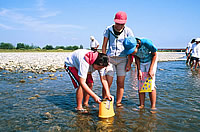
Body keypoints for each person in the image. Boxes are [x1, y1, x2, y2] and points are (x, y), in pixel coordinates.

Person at [101, 11, 134, 108]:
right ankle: (104, 100)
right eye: (118, 23)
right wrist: (104, 61)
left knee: (120, 82)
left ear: (125, 23)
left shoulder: (128, 31)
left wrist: (129, 63)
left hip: (123, 59)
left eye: (122, 24)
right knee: (108, 81)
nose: (119, 26)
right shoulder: (108, 29)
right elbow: (104, 46)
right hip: (110, 59)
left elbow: (130, 48)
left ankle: (118, 103)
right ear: (114, 21)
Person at [64, 49, 112, 113]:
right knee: (80, 85)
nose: (100, 69)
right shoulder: (85, 61)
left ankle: (85, 103)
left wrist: (108, 93)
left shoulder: (102, 63)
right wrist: (95, 96)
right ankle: (79, 107)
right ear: (94, 62)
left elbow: (103, 79)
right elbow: (82, 82)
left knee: (90, 83)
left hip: (86, 65)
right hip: (71, 65)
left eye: (102, 67)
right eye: (99, 67)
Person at [123, 36, 158, 113]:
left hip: (151, 61)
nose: (131, 53)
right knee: (140, 83)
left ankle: (153, 106)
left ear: (137, 46)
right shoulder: (133, 49)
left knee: (151, 83)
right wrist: (138, 70)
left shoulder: (147, 43)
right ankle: (141, 105)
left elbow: (154, 55)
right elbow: (137, 58)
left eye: (131, 51)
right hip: (141, 62)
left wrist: (151, 69)